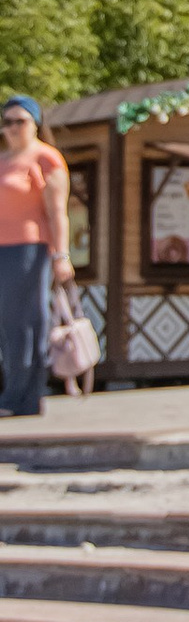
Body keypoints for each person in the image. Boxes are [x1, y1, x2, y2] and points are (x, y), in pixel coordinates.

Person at [0, 98, 71, 420]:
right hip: (2, 249)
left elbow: (58, 214)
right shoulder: (4, 159)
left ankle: (24, 396)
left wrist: (61, 255)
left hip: (29, 248)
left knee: (27, 323)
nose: (13, 128)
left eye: (21, 121)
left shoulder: (46, 158)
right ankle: (14, 393)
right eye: (7, 122)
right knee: (7, 325)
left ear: (36, 123)